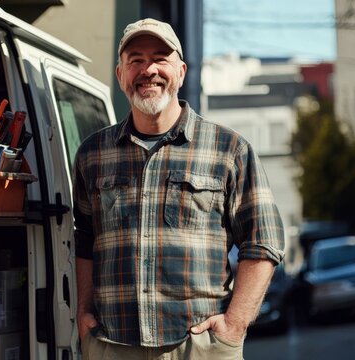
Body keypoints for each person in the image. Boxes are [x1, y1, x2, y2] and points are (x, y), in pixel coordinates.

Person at [72, 18, 285, 360]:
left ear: (181, 71)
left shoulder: (229, 150)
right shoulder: (93, 154)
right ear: (120, 75)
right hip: (111, 345)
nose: (148, 70)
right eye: (136, 60)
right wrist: (83, 313)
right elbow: (84, 239)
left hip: (197, 347)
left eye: (160, 58)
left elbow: (264, 241)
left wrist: (236, 324)